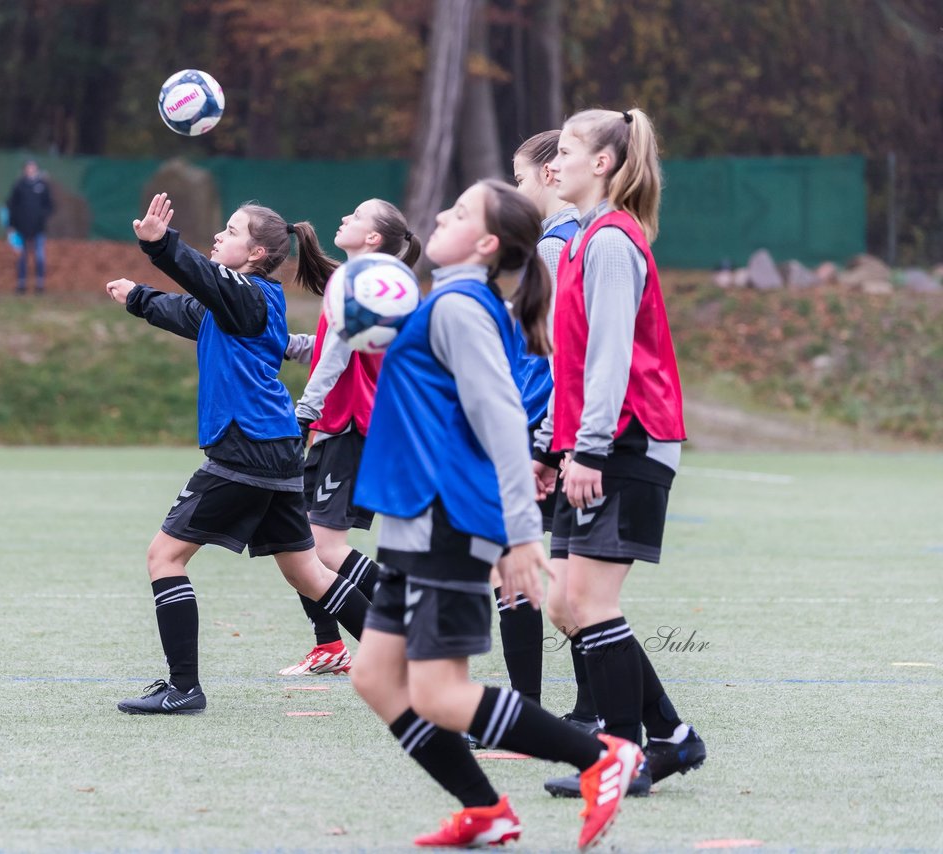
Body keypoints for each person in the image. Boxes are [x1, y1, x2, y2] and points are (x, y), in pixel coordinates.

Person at [349, 179, 642, 851]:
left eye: (454, 213)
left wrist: (518, 534)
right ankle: (486, 811)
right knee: (374, 676)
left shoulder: (459, 305)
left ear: (483, 244)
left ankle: (602, 757)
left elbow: (504, 418)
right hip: (413, 519)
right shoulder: (447, 303)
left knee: (441, 695)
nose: (439, 217)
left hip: (448, 520)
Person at [105, 193, 372, 715]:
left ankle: (184, 688)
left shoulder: (249, 297)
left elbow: (202, 279)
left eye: (231, 230)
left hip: (245, 449)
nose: (219, 237)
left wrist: (161, 246)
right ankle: (399, 662)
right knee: (309, 574)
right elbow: (187, 308)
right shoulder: (236, 304)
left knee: (165, 557)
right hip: (274, 449)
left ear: (254, 254)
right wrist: (138, 296)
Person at [532, 108, 707, 797]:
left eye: (568, 149)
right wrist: (551, 445)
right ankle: (670, 737)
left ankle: (619, 758)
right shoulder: (578, 243)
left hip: (629, 442)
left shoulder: (610, 242)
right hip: (598, 441)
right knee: (567, 606)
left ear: (603, 163)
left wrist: (591, 450)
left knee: (589, 602)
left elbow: (608, 361)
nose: (556, 162)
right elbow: (567, 366)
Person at [276, 199, 422, 677]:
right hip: (342, 426)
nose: (344, 219)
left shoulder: (362, 284)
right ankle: (328, 645)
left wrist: (304, 414)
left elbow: (337, 357)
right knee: (296, 542)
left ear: (374, 238)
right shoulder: (370, 282)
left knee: (323, 548)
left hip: (354, 427)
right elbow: (330, 347)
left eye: (356, 217)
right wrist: (282, 343)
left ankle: (411, 620)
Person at [485, 130, 582, 711]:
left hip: (538, 430)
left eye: (519, 178)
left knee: (514, 567)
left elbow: (551, 353)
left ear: (548, 176)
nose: (516, 190)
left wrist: (541, 437)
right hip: (548, 428)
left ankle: (526, 708)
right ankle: (588, 710)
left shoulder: (554, 246)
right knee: (567, 585)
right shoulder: (568, 239)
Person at [6, 160, 54, 294]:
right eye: (28, 168)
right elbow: (12, 206)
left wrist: (41, 217)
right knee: (22, 257)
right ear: (25, 170)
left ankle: (40, 284)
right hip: (21, 229)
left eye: (33, 168)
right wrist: (12, 226)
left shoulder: (42, 186)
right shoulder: (19, 186)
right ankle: (21, 285)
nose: (31, 170)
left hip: (38, 229)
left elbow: (49, 206)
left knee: (39, 257)